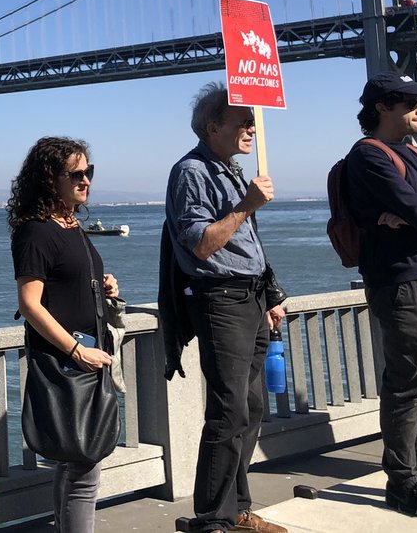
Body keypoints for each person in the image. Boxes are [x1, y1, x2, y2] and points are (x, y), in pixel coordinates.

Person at [164, 82, 288, 533]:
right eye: (243, 121)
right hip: (221, 300)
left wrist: (272, 295)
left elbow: (249, 246)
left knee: (251, 408)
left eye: (253, 121)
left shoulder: (231, 170)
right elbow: (200, 243)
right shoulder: (192, 172)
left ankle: (236, 510)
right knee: (229, 407)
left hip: (251, 298)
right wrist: (247, 204)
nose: (252, 127)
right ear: (213, 127)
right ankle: (211, 518)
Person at [344, 72, 417, 521]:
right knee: (408, 388)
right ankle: (402, 483)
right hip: (407, 283)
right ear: (382, 108)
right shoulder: (369, 157)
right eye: (411, 102)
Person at [9, 137, 119, 533]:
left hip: (88, 357)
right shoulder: (35, 232)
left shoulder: (72, 226)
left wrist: (103, 285)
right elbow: (30, 303)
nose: (85, 179)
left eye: (89, 171)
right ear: (48, 177)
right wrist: (76, 351)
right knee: (84, 465)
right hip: (66, 361)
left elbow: (66, 283)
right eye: (75, 173)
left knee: (75, 461)